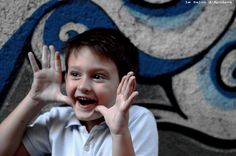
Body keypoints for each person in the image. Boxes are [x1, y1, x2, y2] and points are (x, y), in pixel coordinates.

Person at [0, 28, 158, 156]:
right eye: (75, 74)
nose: (83, 86)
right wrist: (34, 100)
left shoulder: (138, 119)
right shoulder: (58, 120)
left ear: (125, 84)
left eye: (97, 77)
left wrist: (119, 133)